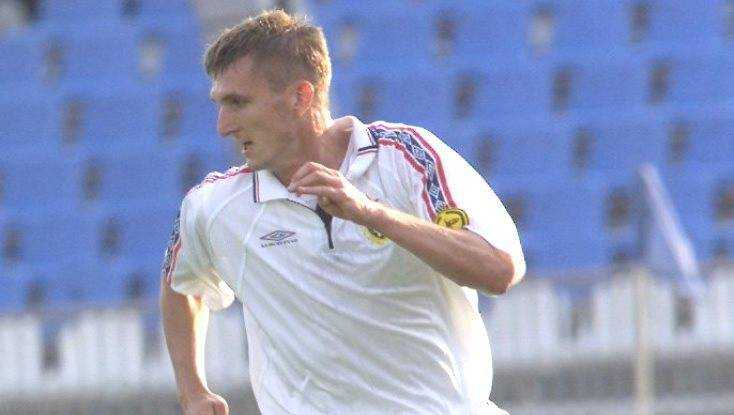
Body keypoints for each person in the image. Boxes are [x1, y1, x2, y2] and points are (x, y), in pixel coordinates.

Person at [160, 9, 525, 415]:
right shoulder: (213, 206)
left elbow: (497, 270)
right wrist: (192, 391)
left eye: (238, 103)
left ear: (300, 97)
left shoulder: (405, 157)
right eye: (219, 104)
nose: (223, 126)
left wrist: (370, 213)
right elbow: (181, 284)